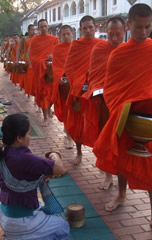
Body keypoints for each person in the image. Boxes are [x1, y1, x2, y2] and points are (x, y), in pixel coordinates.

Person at [93, 4, 152, 235]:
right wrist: (123, 108)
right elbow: (110, 89)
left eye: (148, 27)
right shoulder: (117, 54)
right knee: (121, 159)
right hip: (126, 117)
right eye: (138, 27)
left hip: (150, 120)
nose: (143, 31)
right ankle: (121, 194)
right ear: (129, 25)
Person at [0, 113, 70, 239]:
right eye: (28, 134)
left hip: (5, 216)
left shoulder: (5, 152)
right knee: (62, 226)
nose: (30, 137)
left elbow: (12, 177)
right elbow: (59, 169)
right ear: (19, 138)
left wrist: (36, 177)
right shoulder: (23, 158)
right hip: (18, 221)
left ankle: (9, 233)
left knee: (40, 208)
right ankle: (16, 234)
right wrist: (54, 155)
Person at [81, 16, 125, 190]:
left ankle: (121, 186)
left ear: (125, 31)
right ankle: (108, 175)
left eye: (118, 34)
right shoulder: (99, 49)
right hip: (103, 102)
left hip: (123, 104)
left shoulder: (129, 51)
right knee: (105, 139)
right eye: (110, 34)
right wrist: (97, 88)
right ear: (105, 32)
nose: (114, 38)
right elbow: (93, 75)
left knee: (121, 143)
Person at [63, 15, 103, 164]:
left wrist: (95, 81)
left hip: (96, 91)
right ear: (80, 30)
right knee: (78, 123)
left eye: (90, 27)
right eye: (84, 28)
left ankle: (102, 162)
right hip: (79, 90)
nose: (88, 31)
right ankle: (79, 153)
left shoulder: (102, 45)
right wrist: (79, 81)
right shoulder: (76, 46)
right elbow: (69, 67)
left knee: (99, 125)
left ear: (96, 27)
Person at [28, 19, 59, 127]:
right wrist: (39, 62)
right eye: (41, 27)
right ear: (38, 28)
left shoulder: (54, 39)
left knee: (51, 94)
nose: (43, 28)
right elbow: (32, 56)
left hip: (50, 71)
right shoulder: (35, 40)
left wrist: (52, 57)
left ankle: (49, 109)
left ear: (48, 27)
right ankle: (45, 116)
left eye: (45, 26)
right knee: (42, 94)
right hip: (39, 72)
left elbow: (58, 54)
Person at [51, 25, 75, 149]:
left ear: (72, 34)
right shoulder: (58, 49)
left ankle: (74, 136)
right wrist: (59, 77)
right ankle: (69, 136)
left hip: (76, 84)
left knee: (76, 111)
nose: (66, 36)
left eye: (68, 34)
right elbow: (55, 66)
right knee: (67, 111)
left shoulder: (77, 47)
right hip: (63, 84)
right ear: (60, 36)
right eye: (63, 34)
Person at [17, 24, 36, 98]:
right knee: (28, 80)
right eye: (32, 30)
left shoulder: (37, 38)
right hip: (27, 62)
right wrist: (17, 59)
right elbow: (19, 49)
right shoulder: (24, 39)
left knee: (35, 81)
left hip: (35, 62)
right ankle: (28, 93)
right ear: (28, 30)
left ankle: (35, 98)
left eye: (34, 30)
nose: (33, 31)